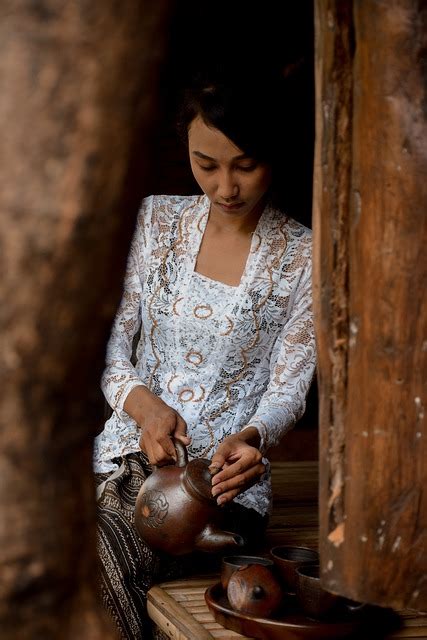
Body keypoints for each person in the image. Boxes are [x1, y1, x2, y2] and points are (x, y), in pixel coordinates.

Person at [93, 66, 316, 639]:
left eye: (246, 165)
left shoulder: (307, 255)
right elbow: (112, 343)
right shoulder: (154, 220)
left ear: (276, 154)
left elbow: (290, 385)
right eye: (206, 164)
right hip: (121, 460)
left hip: (222, 487)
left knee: (102, 562)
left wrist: (255, 437)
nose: (225, 188)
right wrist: (143, 407)